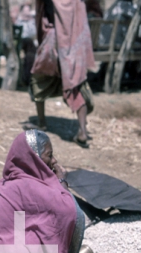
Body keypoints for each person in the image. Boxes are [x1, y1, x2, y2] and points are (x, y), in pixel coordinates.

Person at [28, 0, 95, 147]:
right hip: (74, 42)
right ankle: (83, 130)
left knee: (38, 78)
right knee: (74, 84)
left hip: (54, 40)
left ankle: (41, 123)